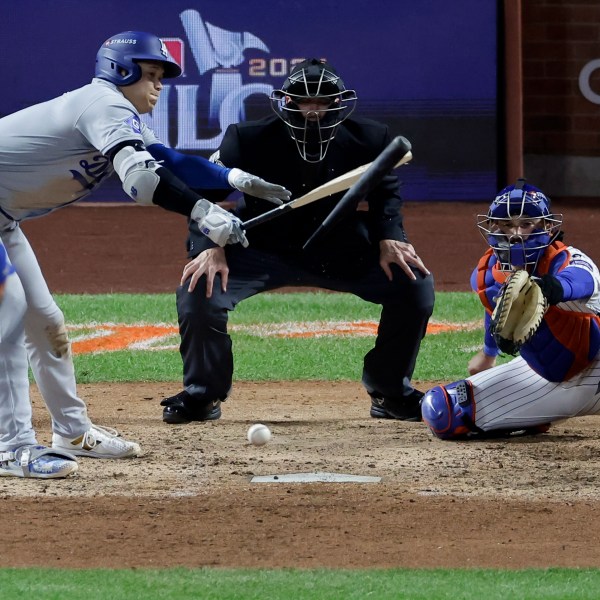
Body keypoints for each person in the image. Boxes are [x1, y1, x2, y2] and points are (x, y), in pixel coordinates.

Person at [0, 31, 289, 475]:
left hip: (4, 219)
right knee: (11, 312)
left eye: (160, 77)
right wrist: (203, 211)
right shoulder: (104, 104)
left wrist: (232, 178)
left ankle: (72, 432)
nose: (157, 85)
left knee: (47, 323)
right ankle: (11, 447)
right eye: (150, 75)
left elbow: (168, 161)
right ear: (121, 72)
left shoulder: (120, 114)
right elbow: (142, 182)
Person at [158, 58, 435, 424]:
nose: (312, 112)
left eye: (322, 103)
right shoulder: (247, 139)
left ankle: (389, 391)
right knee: (199, 287)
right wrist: (209, 246)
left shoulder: (370, 138)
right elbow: (203, 199)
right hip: (260, 244)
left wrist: (389, 236)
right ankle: (202, 395)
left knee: (413, 284)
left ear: (339, 104)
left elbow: (385, 192)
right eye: (303, 102)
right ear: (285, 102)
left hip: (340, 245)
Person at [421, 179, 600, 439]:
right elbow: (498, 309)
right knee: (443, 411)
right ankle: (535, 413)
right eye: (506, 225)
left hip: (594, 365)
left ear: (548, 227)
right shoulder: (489, 276)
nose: (515, 234)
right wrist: (488, 354)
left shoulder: (568, 261)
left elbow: (582, 282)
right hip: (546, 378)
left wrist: (549, 288)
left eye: (525, 224)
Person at [0, 241, 79, 478]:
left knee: (47, 317)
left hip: (6, 225)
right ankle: (13, 447)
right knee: (8, 305)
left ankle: (73, 430)